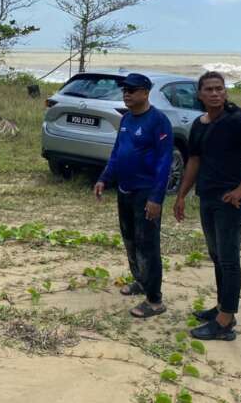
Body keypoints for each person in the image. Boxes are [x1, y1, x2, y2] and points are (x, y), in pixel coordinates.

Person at [173, 71, 241, 341]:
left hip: (230, 201)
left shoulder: (236, 121)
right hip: (207, 197)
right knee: (217, 255)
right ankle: (221, 307)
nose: (215, 93)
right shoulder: (200, 124)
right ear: (200, 94)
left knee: (229, 260)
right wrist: (182, 194)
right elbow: (194, 160)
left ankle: (226, 321)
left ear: (225, 92)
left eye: (220, 88)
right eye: (209, 89)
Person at [94, 73, 173, 319]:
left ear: (146, 92)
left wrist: (156, 198)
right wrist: (104, 178)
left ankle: (155, 300)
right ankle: (141, 281)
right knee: (130, 240)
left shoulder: (158, 121)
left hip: (145, 193)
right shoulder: (127, 119)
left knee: (147, 245)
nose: (126, 93)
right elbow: (118, 152)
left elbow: (164, 161)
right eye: (124, 90)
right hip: (125, 190)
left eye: (132, 89)